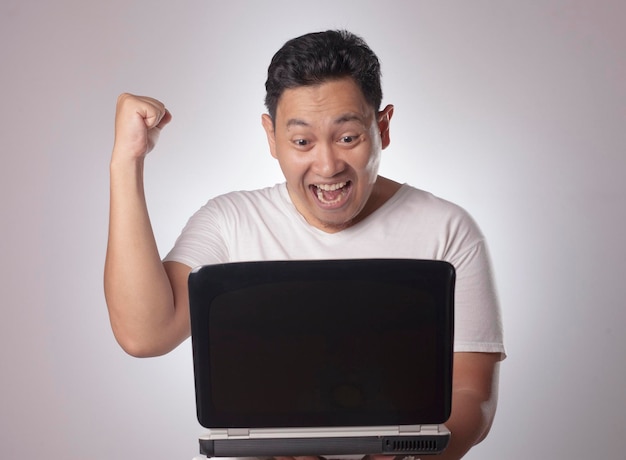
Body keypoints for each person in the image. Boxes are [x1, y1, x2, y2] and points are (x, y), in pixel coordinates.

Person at [104, 30, 505, 460]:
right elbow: (144, 334)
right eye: (301, 141)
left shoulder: (447, 228)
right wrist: (127, 160)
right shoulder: (230, 222)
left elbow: (472, 395)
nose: (328, 165)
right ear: (271, 137)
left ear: (383, 127)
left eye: (348, 137)